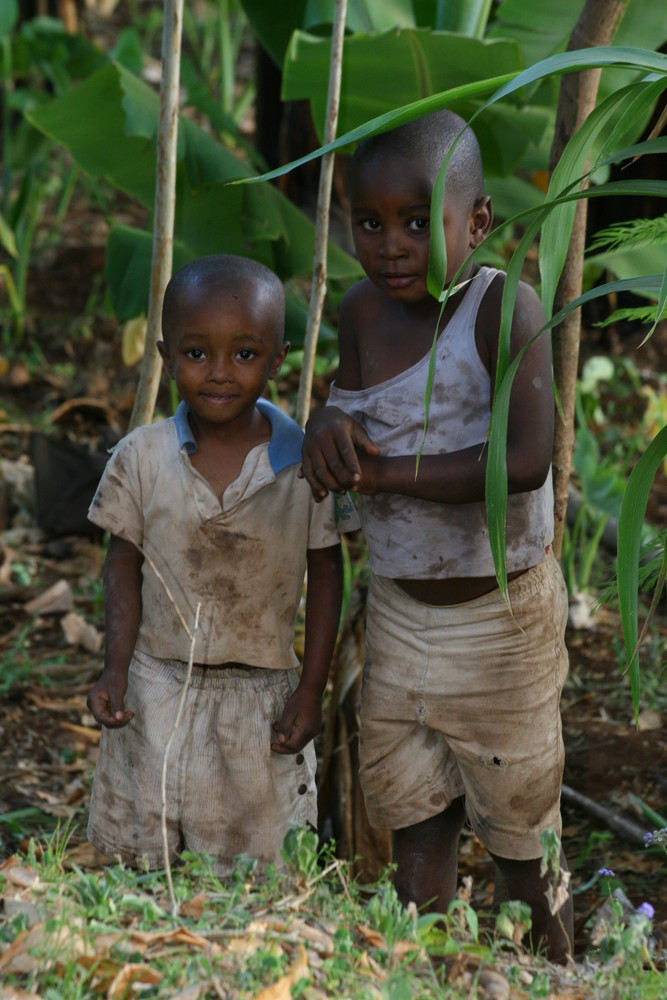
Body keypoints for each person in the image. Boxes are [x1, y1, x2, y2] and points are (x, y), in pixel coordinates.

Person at [300, 110, 573, 960]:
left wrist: (380, 475)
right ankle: (429, 974)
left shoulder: (503, 309)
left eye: (419, 223)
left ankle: (549, 974)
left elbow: (523, 461)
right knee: (414, 822)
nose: (391, 246)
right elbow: (348, 427)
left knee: (520, 838)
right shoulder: (357, 313)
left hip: (501, 623)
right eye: (369, 224)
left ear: (476, 223)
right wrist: (322, 430)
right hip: (400, 616)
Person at [86, 254, 358, 875]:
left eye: (244, 354)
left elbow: (327, 578)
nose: (218, 373)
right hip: (155, 687)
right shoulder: (142, 457)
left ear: (278, 356)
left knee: (260, 871)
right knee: (142, 862)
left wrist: (311, 688)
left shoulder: (303, 468)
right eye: (195, 353)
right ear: (164, 353)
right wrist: (115, 668)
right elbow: (121, 566)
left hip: (263, 703)